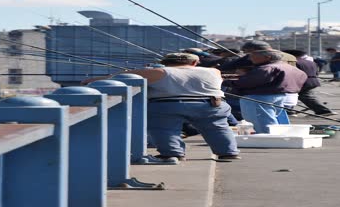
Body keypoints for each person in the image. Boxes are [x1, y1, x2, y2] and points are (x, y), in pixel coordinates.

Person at [84, 53, 240, 161]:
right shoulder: (213, 71)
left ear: (165, 63)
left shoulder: (159, 72)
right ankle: (228, 152)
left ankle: (173, 154)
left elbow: (123, 77)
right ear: (194, 62)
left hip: (170, 105)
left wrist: (95, 80)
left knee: (164, 129)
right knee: (218, 127)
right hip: (213, 104)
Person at [223, 50, 307, 133]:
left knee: (262, 122)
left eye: (253, 56)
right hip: (280, 96)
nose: (250, 58)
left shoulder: (266, 68)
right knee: (272, 118)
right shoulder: (289, 67)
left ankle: (269, 140)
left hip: (258, 97)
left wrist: (224, 81)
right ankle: (276, 137)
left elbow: (248, 82)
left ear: (267, 57)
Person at [283, 50, 337, 116]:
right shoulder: (311, 62)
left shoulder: (295, 63)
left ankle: (323, 111)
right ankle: (289, 111)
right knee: (303, 96)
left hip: (302, 82)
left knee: (296, 96)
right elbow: (317, 72)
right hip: (313, 81)